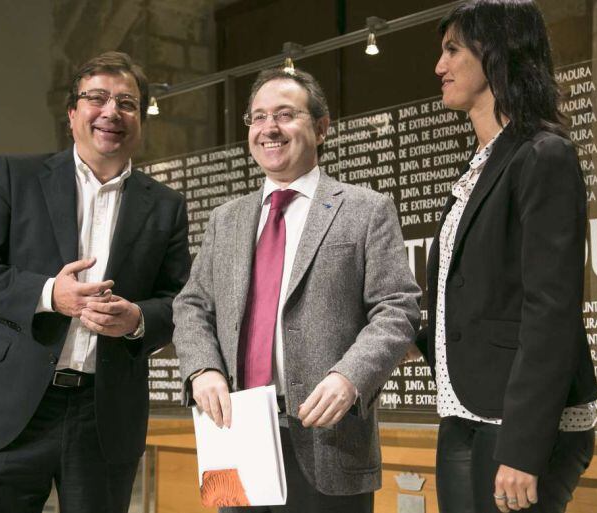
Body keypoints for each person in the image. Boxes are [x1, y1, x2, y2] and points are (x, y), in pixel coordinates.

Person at [0, 51, 190, 513]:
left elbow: (180, 301)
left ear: (140, 119)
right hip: (10, 408)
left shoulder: (166, 206)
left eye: (127, 102)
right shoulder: (16, 176)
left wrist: (137, 318)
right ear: (73, 113)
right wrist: (47, 294)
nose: (111, 111)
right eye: (96, 97)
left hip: (104, 416)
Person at [173, 68, 421, 512]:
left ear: (321, 128)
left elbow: (397, 308)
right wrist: (202, 369)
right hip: (237, 435)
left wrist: (350, 377)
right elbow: (191, 305)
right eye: (259, 117)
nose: (269, 128)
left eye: (286, 115)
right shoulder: (225, 220)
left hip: (330, 438)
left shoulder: (365, 210)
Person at [410, 1, 597, 512]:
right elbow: (477, 299)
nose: (439, 67)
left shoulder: (543, 154)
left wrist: (523, 448)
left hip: (518, 425)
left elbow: (550, 310)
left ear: (496, 55)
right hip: (464, 412)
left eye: (452, 50)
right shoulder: (481, 166)